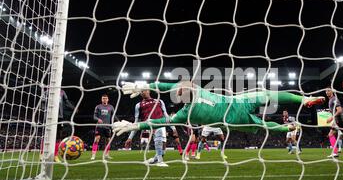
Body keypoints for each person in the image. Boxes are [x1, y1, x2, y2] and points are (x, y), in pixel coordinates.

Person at [113, 81, 325, 136]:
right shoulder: (184, 114)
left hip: (237, 104)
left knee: (267, 95)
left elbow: (166, 86)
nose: (179, 89)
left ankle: (303, 99)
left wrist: (146, 86)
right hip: (233, 120)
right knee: (263, 125)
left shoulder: (190, 93)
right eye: (180, 90)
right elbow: (158, 122)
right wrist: (134, 126)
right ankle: (286, 128)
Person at [124, 90, 172, 167]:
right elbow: (136, 122)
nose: (143, 92)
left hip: (162, 124)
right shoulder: (138, 105)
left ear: (149, 91)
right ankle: (160, 162)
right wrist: (130, 137)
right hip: (151, 125)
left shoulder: (159, 101)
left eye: (144, 90)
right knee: (158, 137)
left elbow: (166, 115)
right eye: (141, 91)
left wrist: (173, 128)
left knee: (163, 151)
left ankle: (153, 160)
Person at [91, 94, 117, 160]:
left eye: (105, 98)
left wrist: (119, 121)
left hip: (107, 126)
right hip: (99, 126)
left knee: (108, 140)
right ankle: (93, 155)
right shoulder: (98, 107)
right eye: (103, 98)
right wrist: (98, 119)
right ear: (101, 99)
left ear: (108, 99)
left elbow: (114, 116)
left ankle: (107, 155)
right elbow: (94, 116)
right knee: (97, 139)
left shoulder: (111, 107)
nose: (104, 99)